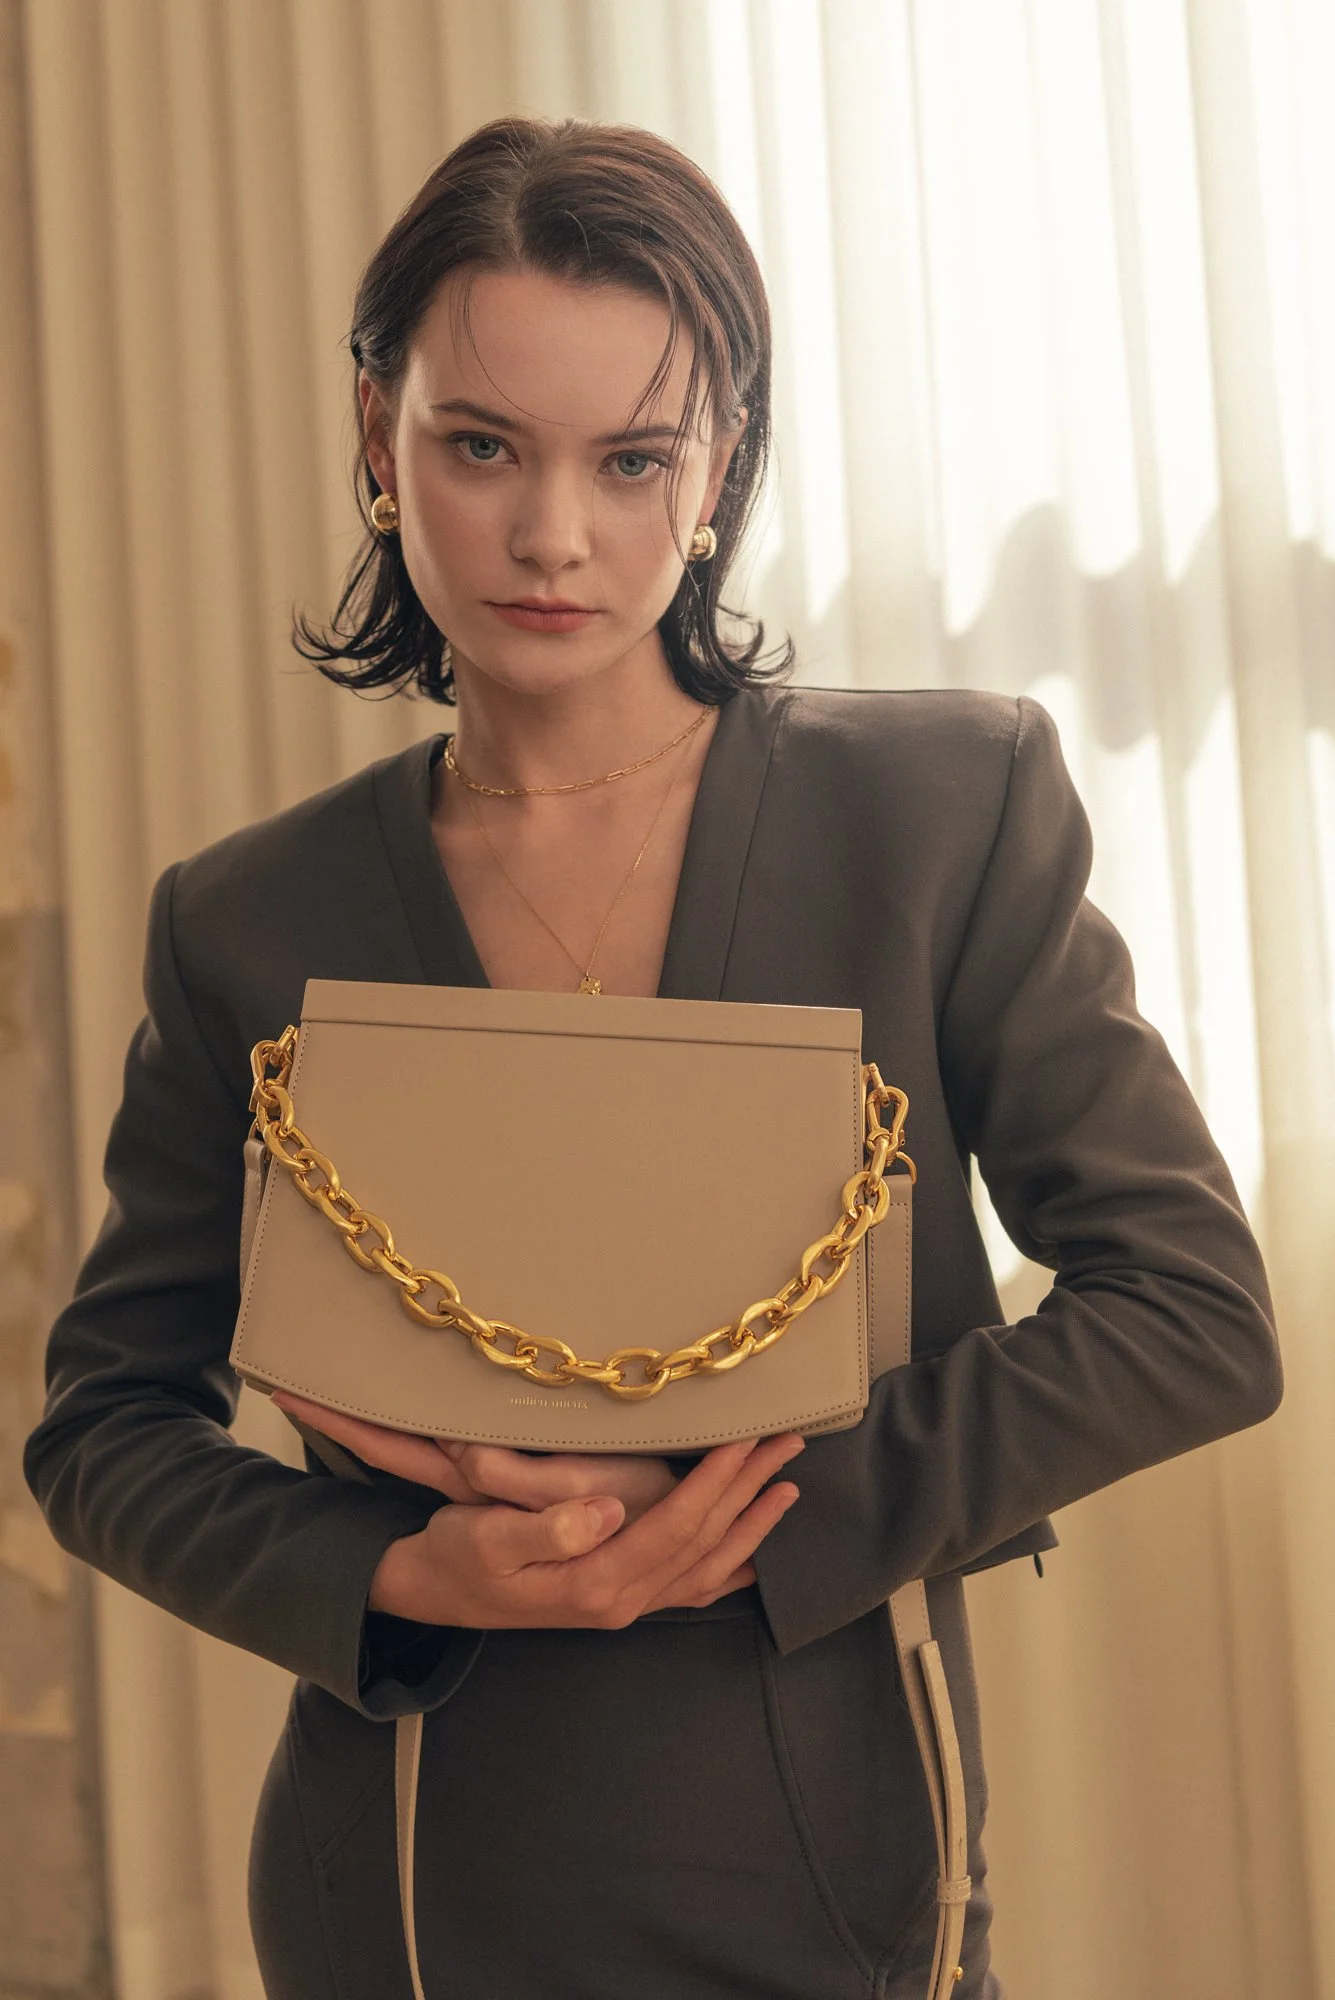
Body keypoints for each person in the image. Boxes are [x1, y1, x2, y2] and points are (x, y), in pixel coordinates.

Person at [24, 115, 1282, 2000]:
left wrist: (740, 1519)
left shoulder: (940, 814)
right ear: (379, 441)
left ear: (719, 475)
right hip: (407, 1898)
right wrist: (396, 1577)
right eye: (480, 447)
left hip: (839, 1883)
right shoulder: (245, 922)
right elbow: (104, 1430)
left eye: (633, 460)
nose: (553, 534)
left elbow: (1192, 1314)